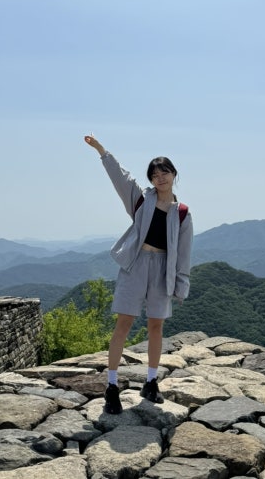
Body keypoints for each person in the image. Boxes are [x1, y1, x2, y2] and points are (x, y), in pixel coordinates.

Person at [84, 134, 193, 414]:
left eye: (164, 172)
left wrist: (181, 285)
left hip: (162, 269)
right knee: (124, 323)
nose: (160, 178)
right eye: (155, 175)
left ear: (174, 174)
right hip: (135, 264)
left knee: (156, 326)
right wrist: (101, 151)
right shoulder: (142, 200)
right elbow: (120, 178)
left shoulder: (182, 213)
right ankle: (111, 386)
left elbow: (184, 254)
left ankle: (151, 382)